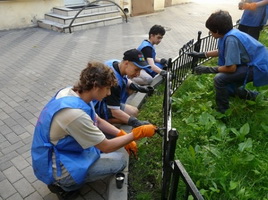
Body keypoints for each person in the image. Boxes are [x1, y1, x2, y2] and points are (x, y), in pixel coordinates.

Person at [31, 61, 157, 199]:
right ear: (96, 87)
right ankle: (64, 186)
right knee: (120, 161)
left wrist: (121, 133)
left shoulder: (73, 93)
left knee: (106, 144)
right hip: (59, 167)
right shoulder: (74, 115)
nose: (109, 93)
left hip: (60, 151)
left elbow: (98, 120)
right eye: (107, 88)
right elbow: (106, 146)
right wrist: (136, 134)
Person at [188, 10, 268, 113]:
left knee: (220, 79)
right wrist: (202, 54)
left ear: (217, 31)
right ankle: (256, 97)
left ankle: (223, 111)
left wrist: (207, 69)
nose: (210, 34)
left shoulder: (231, 39)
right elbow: (222, 51)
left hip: (259, 66)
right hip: (259, 61)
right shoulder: (229, 34)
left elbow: (231, 68)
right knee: (228, 86)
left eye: (211, 31)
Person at [95, 49, 155, 128]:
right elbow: (114, 111)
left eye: (140, 70)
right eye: (136, 69)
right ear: (126, 63)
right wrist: (134, 122)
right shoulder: (114, 82)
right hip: (98, 105)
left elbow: (126, 80)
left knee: (130, 89)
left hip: (100, 98)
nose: (138, 74)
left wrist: (140, 88)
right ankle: (100, 120)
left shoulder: (115, 63)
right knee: (133, 113)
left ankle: (117, 109)